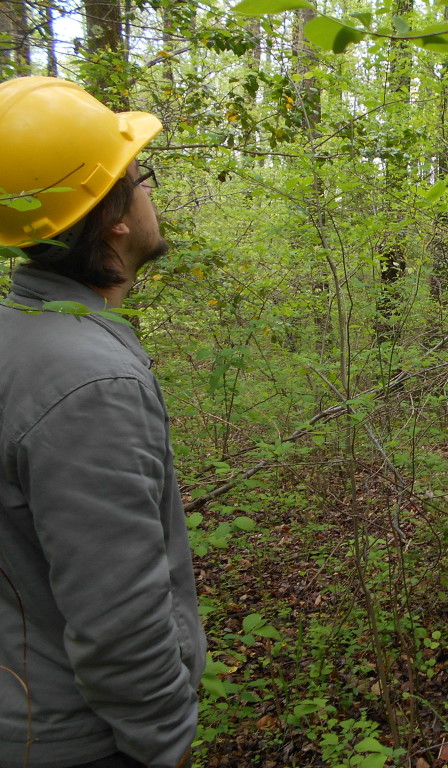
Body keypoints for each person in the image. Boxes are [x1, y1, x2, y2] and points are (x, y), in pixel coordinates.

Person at [0, 77, 206, 768]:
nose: (151, 193)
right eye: (140, 176)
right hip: (76, 743)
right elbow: (118, 616)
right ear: (114, 214)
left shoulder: (18, 339)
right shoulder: (90, 384)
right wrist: (166, 744)